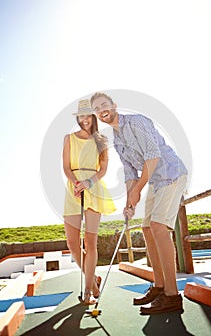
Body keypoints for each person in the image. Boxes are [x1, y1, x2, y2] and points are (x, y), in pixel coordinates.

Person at [91, 92, 188, 315]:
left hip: (171, 174)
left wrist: (137, 190)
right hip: (155, 180)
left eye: (104, 105)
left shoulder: (136, 121)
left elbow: (153, 156)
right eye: (97, 109)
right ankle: (160, 286)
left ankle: (172, 296)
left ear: (114, 105)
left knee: (158, 227)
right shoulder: (116, 139)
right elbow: (129, 173)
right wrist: (129, 202)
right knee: (146, 228)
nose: (102, 110)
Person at [63, 99, 116, 305]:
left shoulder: (101, 140)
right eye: (81, 116)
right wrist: (77, 183)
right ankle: (93, 280)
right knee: (73, 243)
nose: (84, 119)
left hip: (94, 188)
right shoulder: (68, 138)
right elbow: (66, 166)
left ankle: (87, 291)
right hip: (74, 188)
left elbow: (103, 169)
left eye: (88, 115)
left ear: (93, 117)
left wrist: (88, 182)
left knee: (90, 243)